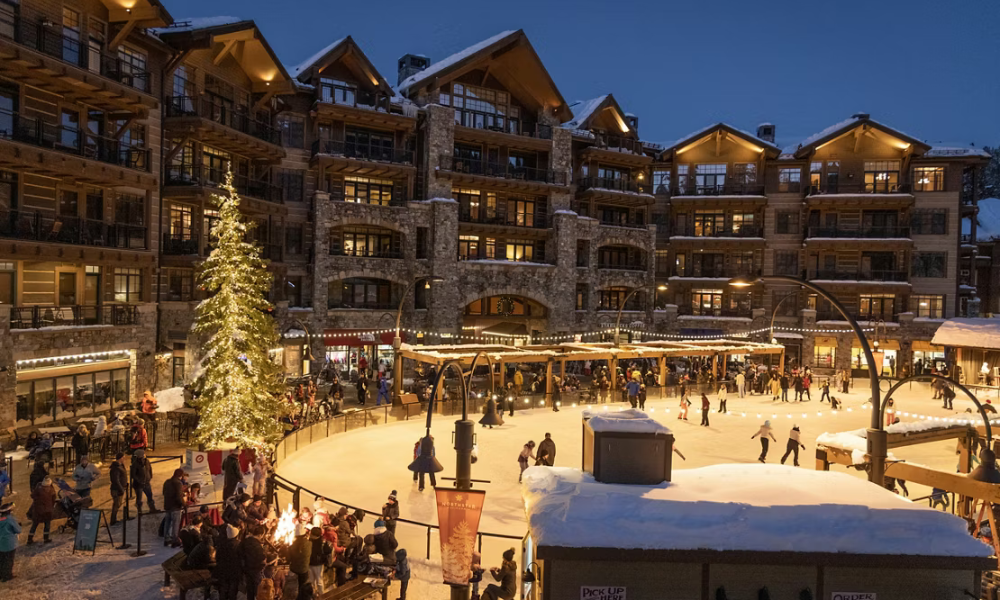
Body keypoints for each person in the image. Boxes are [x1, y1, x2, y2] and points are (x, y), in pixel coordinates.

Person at [216, 524, 242, 600]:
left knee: (223, 588)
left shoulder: (222, 545)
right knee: (233, 589)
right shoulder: (239, 545)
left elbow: (217, 558)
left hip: (223, 570)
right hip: (234, 571)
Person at [241, 523, 267, 600]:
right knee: (257, 590)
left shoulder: (245, 542)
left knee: (249, 590)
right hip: (256, 570)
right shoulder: (257, 546)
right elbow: (262, 559)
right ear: (260, 535)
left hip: (246, 569)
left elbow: (240, 554)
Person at [163, 468, 187, 547]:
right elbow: (179, 496)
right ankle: (175, 539)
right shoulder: (178, 483)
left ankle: (166, 538)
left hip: (167, 505)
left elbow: (164, 493)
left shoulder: (167, 481)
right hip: (175, 506)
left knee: (168, 522)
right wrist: (184, 504)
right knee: (175, 524)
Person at [27, 476, 56, 544]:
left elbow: (33, 496)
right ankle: (46, 538)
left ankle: (29, 539)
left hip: (38, 510)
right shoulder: (51, 488)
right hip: (48, 510)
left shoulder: (39, 487)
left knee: (35, 525)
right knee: (47, 524)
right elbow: (54, 498)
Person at [288, 524, 312, 600]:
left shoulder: (292, 546)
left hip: (294, 570)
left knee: (295, 589)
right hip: (304, 569)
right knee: (303, 587)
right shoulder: (309, 544)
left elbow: (289, 559)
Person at [308, 526, 331, 594]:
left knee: (319, 581)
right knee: (312, 581)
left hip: (318, 564)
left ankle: (321, 595)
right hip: (312, 563)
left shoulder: (321, 542)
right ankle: (313, 594)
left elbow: (328, 551)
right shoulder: (312, 541)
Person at [0, 502, 19, 582]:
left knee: (2, 559)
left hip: (1, 543)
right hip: (10, 543)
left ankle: (1, 574)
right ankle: (7, 575)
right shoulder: (10, 519)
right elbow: (18, 530)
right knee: (9, 559)